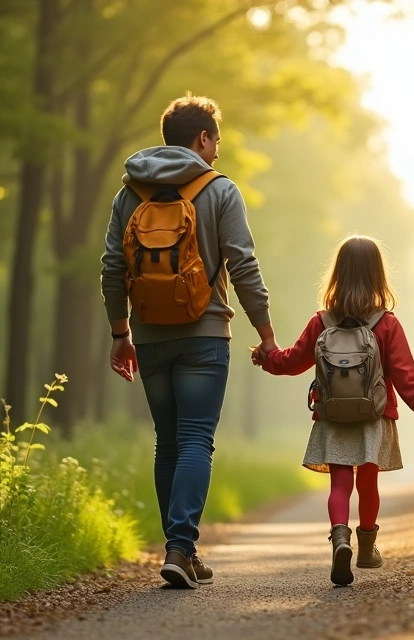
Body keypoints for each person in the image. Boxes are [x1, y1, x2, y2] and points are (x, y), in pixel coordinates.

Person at [101, 94, 278, 589]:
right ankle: (181, 546)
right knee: (196, 438)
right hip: (204, 333)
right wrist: (265, 331)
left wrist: (122, 334)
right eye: (216, 139)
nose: (217, 151)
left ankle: (180, 549)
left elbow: (112, 269)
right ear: (202, 138)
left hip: (151, 337)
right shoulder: (220, 189)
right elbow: (243, 266)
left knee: (168, 443)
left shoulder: (128, 194)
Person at [254, 235, 414, 586]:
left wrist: (267, 359)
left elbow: (293, 361)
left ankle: (340, 539)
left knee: (340, 484)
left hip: (333, 415)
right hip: (375, 416)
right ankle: (366, 547)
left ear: (337, 274)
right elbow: (405, 375)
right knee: (367, 484)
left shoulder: (322, 321)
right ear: (378, 276)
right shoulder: (387, 323)